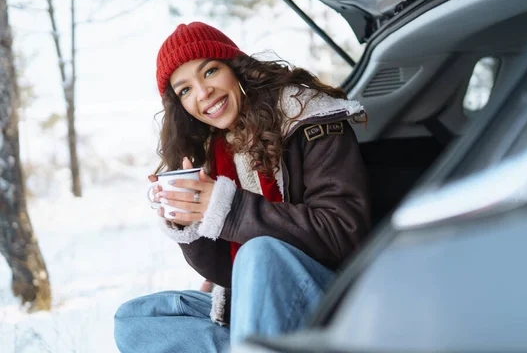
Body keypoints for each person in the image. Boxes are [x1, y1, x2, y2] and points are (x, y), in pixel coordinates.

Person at [113, 22, 371, 353]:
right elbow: (227, 272)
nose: (202, 93)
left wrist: (230, 209)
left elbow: (343, 232)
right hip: (256, 303)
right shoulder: (214, 152)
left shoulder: (308, 117)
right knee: (135, 320)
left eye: (209, 72)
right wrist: (190, 221)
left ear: (235, 68)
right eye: (185, 90)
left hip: (331, 294)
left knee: (258, 251)